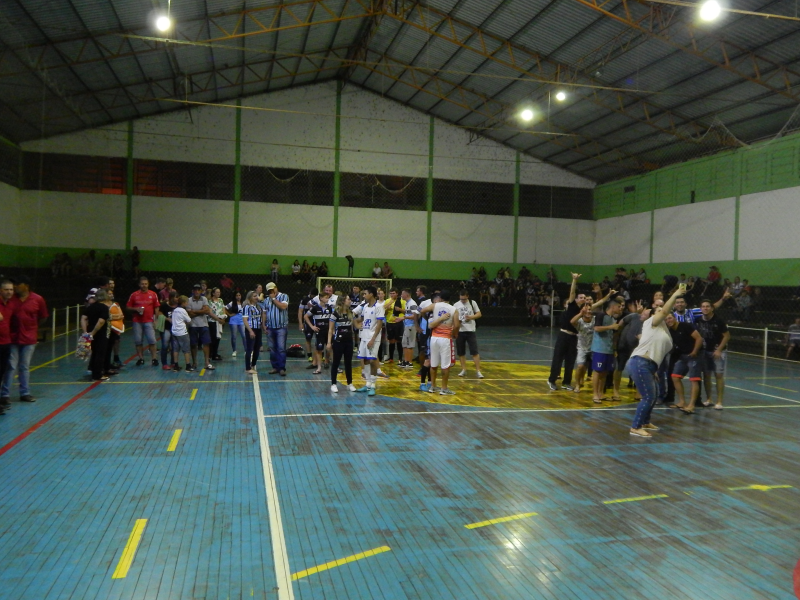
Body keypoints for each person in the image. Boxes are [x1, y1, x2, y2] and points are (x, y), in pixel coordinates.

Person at [628, 287, 686, 438]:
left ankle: (645, 422)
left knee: (653, 396)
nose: (662, 310)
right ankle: (636, 427)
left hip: (650, 365)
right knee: (648, 396)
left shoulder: (663, 331)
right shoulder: (650, 323)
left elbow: (658, 351)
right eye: (658, 309)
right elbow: (665, 311)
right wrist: (675, 294)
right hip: (640, 362)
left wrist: (654, 370)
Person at [1, 275, 48, 403]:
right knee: (11, 366)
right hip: (12, 338)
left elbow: (43, 316)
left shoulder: (37, 299)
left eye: (18, 284)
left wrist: (32, 327)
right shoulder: (11, 300)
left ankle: (25, 393)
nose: (15, 287)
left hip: (29, 339)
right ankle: (5, 394)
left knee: (24, 366)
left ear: (26, 286)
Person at [547, 273, 584, 391]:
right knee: (558, 358)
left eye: (584, 298)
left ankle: (566, 382)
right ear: (576, 299)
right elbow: (572, 292)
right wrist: (574, 280)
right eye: (581, 297)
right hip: (564, 335)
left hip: (574, 337)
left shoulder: (584, 310)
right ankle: (552, 380)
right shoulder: (572, 305)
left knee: (570, 360)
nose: (583, 299)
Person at [421, 290, 460, 395]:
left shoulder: (435, 305)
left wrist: (427, 319)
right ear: (450, 299)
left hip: (434, 338)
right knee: (445, 365)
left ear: (440, 298)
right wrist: (455, 333)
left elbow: (422, 311)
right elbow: (456, 325)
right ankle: (444, 388)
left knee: (433, 364)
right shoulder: (454, 309)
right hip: (445, 339)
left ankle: (433, 386)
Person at [695, 299, 730, 410]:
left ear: (712, 308)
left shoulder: (718, 321)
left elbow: (727, 336)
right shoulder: (698, 320)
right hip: (705, 351)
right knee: (706, 375)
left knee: (718, 375)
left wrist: (719, 349)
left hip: (717, 351)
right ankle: (709, 399)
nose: (705, 308)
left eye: (707, 306)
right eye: (703, 306)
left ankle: (719, 401)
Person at [665, 313, 704, 413]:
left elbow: (699, 339)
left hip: (695, 355)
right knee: (675, 376)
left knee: (694, 379)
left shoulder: (685, 326)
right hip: (683, 355)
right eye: (666, 319)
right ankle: (682, 402)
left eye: (670, 318)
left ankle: (691, 405)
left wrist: (694, 351)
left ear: (674, 318)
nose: (668, 320)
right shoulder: (670, 331)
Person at [353, 286, 384, 396]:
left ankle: (373, 385)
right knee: (365, 360)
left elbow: (379, 324)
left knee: (372, 360)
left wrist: (373, 338)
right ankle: (367, 383)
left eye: (365, 293)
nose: (363, 295)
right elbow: (360, 319)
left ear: (371, 294)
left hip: (373, 338)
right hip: (364, 337)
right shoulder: (365, 306)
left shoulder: (379, 307)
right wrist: (355, 323)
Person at [590, 300, 622, 404]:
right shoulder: (601, 315)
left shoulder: (613, 319)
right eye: (619, 306)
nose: (620, 308)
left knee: (605, 372)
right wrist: (611, 327)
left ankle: (601, 393)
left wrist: (614, 348)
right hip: (599, 348)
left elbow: (614, 335)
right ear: (613, 307)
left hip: (609, 349)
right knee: (597, 371)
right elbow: (596, 328)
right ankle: (595, 394)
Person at [126, 276, 160, 366]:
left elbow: (156, 307)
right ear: (139, 284)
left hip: (149, 321)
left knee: (152, 340)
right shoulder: (134, 295)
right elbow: (128, 307)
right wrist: (136, 309)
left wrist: (156, 320)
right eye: (142, 284)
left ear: (148, 284)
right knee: (138, 341)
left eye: (145, 284)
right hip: (137, 321)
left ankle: (154, 359)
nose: (144, 285)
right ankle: (141, 358)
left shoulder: (153, 294)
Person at [328, 294, 357, 392]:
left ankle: (350, 383)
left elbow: (355, 326)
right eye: (348, 299)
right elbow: (330, 329)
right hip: (338, 342)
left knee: (348, 363)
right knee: (336, 363)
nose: (350, 301)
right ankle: (333, 384)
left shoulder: (351, 313)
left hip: (349, 342)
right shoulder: (335, 314)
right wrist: (329, 342)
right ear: (343, 301)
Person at [453, 290, 483, 379]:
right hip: (460, 331)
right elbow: (454, 317)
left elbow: (479, 314)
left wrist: (471, 317)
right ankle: (463, 369)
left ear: (467, 296)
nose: (463, 301)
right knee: (461, 352)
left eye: (464, 299)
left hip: (470, 330)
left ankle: (478, 370)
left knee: (474, 351)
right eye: (461, 299)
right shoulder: (456, 305)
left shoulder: (473, 303)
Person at [186, 284, 215, 372]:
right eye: (195, 290)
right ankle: (194, 363)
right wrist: (201, 311)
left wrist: (194, 311)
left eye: (198, 290)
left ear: (201, 291)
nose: (197, 291)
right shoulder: (189, 300)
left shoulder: (204, 299)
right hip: (193, 325)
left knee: (206, 343)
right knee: (193, 344)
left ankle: (207, 362)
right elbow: (189, 314)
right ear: (192, 291)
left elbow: (207, 311)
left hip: (204, 324)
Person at [264, 282, 289, 376]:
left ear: (276, 288)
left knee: (281, 348)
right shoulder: (266, 300)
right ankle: (275, 367)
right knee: (272, 348)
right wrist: (263, 324)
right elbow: (264, 312)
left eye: (272, 289)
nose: (271, 291)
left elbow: (283, 307)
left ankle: (281, 368)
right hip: (270, 327)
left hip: (281, 327)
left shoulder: (284, 296)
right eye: (269, 290)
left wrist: (274, 299)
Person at [85, 289, 111, 381]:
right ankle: (97, 375)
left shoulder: (90, 307)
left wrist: (86, 332)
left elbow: (83, 318)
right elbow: (101, 321)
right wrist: (93, 332)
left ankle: (93, 371)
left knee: (94, 352)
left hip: (90, 332)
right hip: (100, 334)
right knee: (100, 354)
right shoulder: (104, 308)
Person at [304, 291, 332, 374]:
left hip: (328, 332)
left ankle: (328, 362)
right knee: (319, 349)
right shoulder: (315, 308)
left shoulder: (329, 308)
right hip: (319, 332)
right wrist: (312, 326)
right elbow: (306, 316)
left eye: (328, 298)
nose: (327, 299)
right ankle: (319, 367)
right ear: (321, 298)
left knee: (329, 348)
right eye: (326, 298)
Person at [570, 303, 594, 393]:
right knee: (580, 366)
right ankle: (577, 385)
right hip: (582, 347)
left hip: (593, 347)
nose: (588, 311)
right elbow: (572, 322)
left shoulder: (595, 320)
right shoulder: (580, 321)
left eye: (590, 309)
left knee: (593, 367)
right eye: (586, 310)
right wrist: (580, 313)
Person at [0, 279, 16, 414]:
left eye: (11, 289)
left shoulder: (11, 304)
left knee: (1, 372)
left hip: (6, 343)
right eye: (6, 289)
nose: (9, 292)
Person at [242, 291, 264, 375]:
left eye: (257, 296)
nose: (256, 297)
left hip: (258, 329)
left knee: (257, 348)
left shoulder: (258, 306)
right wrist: (250, 331)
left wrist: (263, 326)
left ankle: (253, 364)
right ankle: (248, 368)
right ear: (250, 297)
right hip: (251, 329)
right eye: (254, 296)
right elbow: (245, 320)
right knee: (249, 349)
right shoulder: (247, 307)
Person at [170, 296, 193, 371]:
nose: (187, 303)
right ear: (183, 303)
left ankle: (176, 366)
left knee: (176, 349)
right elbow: (189, 320)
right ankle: (188, 366)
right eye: (186, 302)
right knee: (186, 349)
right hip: (182, 332)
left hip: (174, 332)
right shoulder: (183, 311)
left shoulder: (175, 310)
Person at [383, 288, 405, 364]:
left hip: (398, 322)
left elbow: (406, 312)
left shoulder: (402, 301)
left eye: (393, 293)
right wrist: (387, 309)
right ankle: (391, 358)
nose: (392, 295)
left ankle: (400, 358)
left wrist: (400, 309)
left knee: (399, 340)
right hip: (389, 322)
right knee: (391, 340)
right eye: (391, 293)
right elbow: (384, 312)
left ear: (397, 294)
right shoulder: (387, 301)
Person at [399, 289, 419, 369]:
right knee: (405, 344)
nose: (401, 295)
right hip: (407, 325)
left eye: (402, 294)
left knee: (409, 344)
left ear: (406, 295)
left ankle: (409, 362)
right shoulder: (407, 303)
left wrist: (404, 318)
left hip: (411, 326)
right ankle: (406, 360)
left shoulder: (412, 303)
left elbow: (415, 315)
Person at [158, 291, 177, 370]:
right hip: (166, 328)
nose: (175, 299)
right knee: (165, 346)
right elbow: (159, 314)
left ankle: (173, 362)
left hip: (175, 328)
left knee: (174, 346)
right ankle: (164, 363)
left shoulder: (178, 306)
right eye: (174, 298)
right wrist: (167, 319)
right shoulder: (164, 305)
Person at [299, 287, 318, 366]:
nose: (313, 297)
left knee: (319, 339)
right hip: (308, 322)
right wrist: (300, 323)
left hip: (317, 322)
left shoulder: (318, 299)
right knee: (308, 338)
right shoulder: (304, 300)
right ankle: (309, 355)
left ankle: (321, 354)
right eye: (312, 295)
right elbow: (300, 312)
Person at [225, 291, 246, 358]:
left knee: (244, 335)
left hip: (241, 320)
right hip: (234, 320)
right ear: (235, 296)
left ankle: (246, 350)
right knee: (234, 336)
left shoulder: (244, 303)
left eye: (239, 295)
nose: (238, 297)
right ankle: (234, 350)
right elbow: (224, 308)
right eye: (237, 295)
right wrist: (229, 314)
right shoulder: (232, 303)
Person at [208, 287, 226, 361]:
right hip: (212, 321)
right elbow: (210, 312)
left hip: (220, 321)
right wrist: (218, 319)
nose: (218, 293)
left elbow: (223, 309)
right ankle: (210, 353)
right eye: (217, 292)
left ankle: (215, 353)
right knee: (213, 338)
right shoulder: (210, 302)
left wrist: (223, 318)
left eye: (219, 292)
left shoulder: (221, 300)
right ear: (213, 293)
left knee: (218, 338)